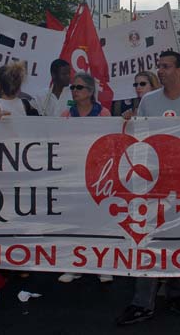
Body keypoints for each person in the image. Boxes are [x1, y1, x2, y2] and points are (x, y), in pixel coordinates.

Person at [116, 50, 180, 325]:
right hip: (153, 182)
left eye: (166, 66)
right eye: (159, 66)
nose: (161, 71)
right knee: (147, 239)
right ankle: (142, 302)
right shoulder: (148, 101)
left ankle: (179, 294)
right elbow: (140, 138)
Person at [58, 73, 113, 285]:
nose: (75, 91)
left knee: (99, 220)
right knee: (75, 221)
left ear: (90, 92)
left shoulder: (104, 114)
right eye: (73, 87)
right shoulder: (65, 115)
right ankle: (75, 264)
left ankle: (103, 264)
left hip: (97, 174)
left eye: (79, 88)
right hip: (73, 173)